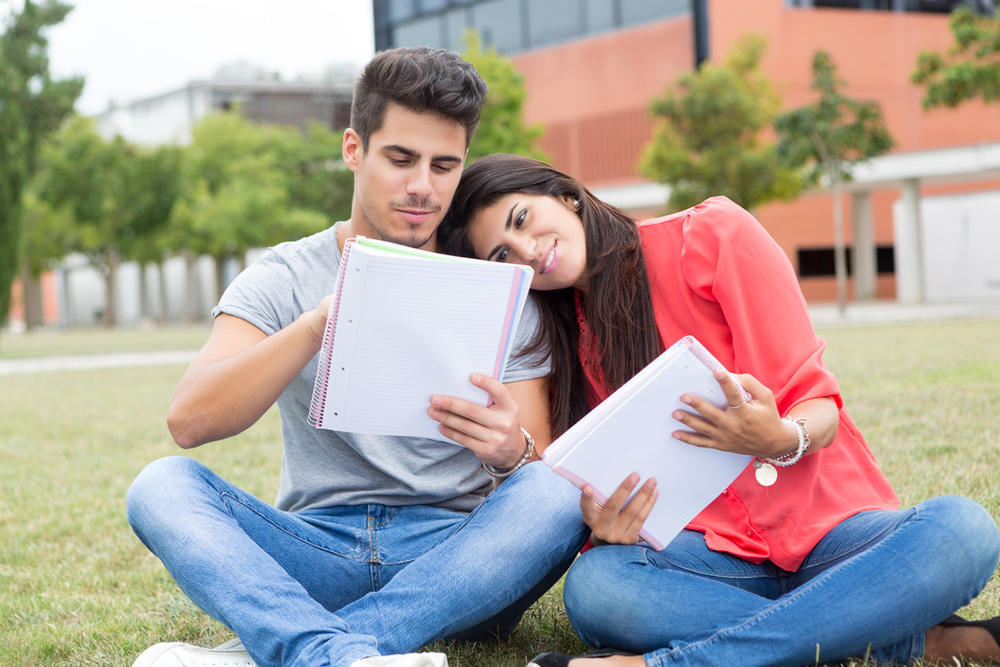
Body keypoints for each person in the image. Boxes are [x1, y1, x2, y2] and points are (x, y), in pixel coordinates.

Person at [437, 153, 1000, 667]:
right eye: (504, 255)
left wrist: (780, 436)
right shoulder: (560, 339)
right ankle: (889, 640)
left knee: (963, 531)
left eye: (520, 220)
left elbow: (819, 405)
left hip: (832, 536)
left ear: (564, 195)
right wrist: (606, 527)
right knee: (598, 589)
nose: (530, 250)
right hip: (712, 557)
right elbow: (594, 481)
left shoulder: (711, 234)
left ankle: (673, 664)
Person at [126, 51, 589, 667]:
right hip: (317, 547)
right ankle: (338, 653)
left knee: (558, 490)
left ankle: (290, 650)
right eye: (401, 159)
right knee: (159, 485)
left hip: (457, 561)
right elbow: (191, 420)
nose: (422, 186)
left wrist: (512, 451)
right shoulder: (284, 275)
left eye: (443, 165)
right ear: (354, 149)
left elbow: (538, 468)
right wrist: (320, 322)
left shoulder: (496, 285)